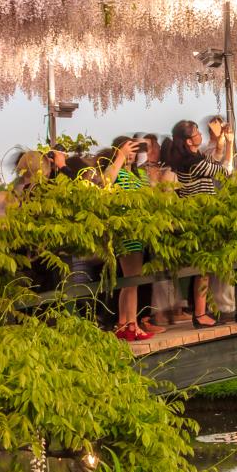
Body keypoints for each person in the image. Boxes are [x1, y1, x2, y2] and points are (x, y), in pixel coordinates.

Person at [163, 120, 228, 327]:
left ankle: (200, 312)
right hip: (201, 219)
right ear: (190, 140)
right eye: (197, 132)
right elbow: (224, 172)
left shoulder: (191, 159)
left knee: (204, 270)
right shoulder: (193, 162)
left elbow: (214, 161)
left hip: (196, 217)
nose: (200, 134)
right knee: (203, 269)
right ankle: (199, 314)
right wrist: (227, 144)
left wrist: (219, 142)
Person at [98, 137, 156, 340]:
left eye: (134, 149)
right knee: (132, 279)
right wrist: (120, 157)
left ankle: (126, 323)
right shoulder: (118, 172)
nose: (132, 153)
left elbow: (150, 196)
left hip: (139, 230)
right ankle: (129, 324)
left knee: (131, 281)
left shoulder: (140, 174)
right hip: (125, 231)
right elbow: (105, 183)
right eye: (127, 149)